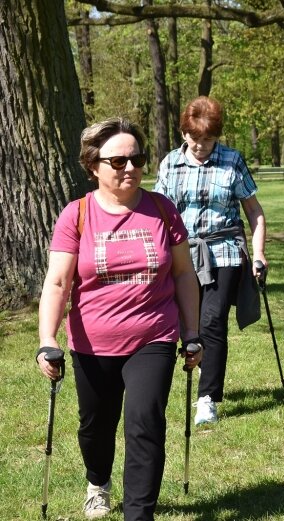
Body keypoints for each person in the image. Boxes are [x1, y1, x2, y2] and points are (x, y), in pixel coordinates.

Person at [36, 117, 202, 520]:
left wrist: (193, 333)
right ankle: (98, 480)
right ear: (94, 166)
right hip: (92, 342)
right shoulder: (76, 215)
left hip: (154, 336)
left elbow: (183, 274)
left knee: (144, 422)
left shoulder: (162, 210)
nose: (130, 168)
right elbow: (58, 283)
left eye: (138, 159)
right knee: (95, 427)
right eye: (118, 161)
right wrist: (48, 340)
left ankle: (138, 514)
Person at [155, 96, 266, 426]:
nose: (201, 145)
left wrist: (258, 254)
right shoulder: (170, 164)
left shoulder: (232, 161)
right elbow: (159, 212)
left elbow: (255, 212)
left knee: (213, 321)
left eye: (208, 139)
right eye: (195, 138)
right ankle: (207, 361)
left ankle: (207, 398)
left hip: (224, 251)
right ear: (184, 133)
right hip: (183, 254)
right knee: (187, 324)